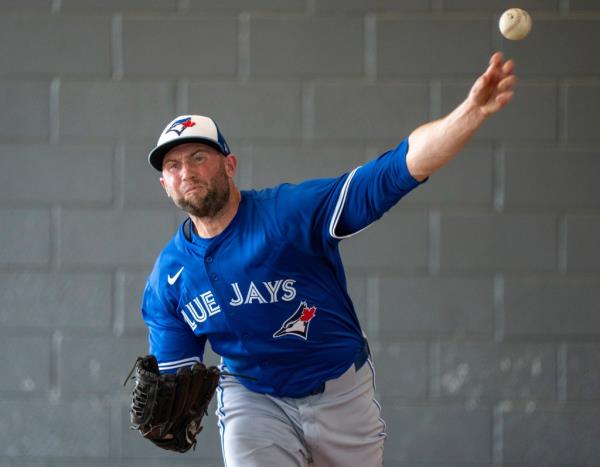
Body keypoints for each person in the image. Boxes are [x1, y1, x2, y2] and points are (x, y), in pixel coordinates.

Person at [140, 52, 516, 466]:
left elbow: (393, 171)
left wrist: (469, 113)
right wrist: (169, 402)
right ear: (164, 184)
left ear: (229, 165)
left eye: (198, 157)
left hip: (340, 390)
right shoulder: (169, 278)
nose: (186, 172)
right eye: (173, 165)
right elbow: (175, 375)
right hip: (254, 401)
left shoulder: (288, 213)